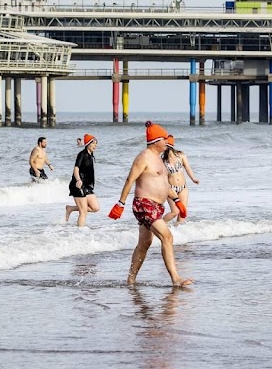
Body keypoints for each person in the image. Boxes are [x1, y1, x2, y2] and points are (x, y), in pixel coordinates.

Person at [109, 121, 192, 287]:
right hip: (144, 204)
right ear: (156, 141)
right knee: (167, 236)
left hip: (156, 206)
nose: (167, 142)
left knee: (144, 243)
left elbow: (164, 185)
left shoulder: (159, 159)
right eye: (164, 139)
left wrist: (176, 200)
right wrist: (120, 203)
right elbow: (130, 180)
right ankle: (175, 279)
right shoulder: (143, 157)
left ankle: (130, 280)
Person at [162, 135, 199, 225]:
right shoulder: (163, 160)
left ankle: (178, 234)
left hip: (183, 187)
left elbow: (188, 168)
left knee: (182, 213)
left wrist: (193, 179)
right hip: (171, 189)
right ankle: (158, 226)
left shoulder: (181, 155)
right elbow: (161, 176)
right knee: (174, 212)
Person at [65, 134, 100, 226]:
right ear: (88, 144)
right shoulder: (82, 154)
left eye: (96, 144)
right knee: (83, 212)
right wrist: (78, 180)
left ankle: (71, 208)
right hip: (78, 185)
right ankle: (80, 233)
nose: (95, 146)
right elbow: (76, 169)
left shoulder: (90, 155)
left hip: (87, 186)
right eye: (93, 144)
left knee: (95, 208)